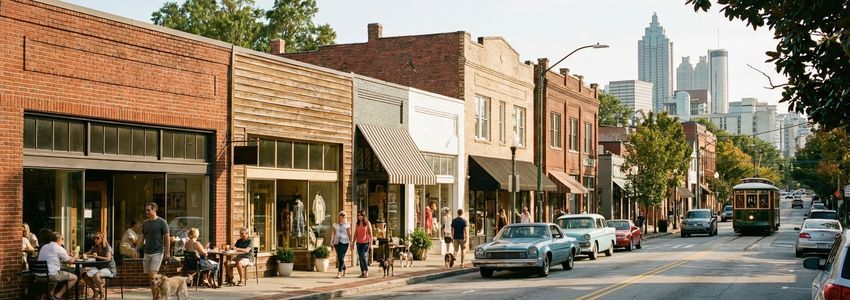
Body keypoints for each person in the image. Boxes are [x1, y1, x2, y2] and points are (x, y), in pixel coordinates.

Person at [137, 202, 170, 299]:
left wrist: (167, 252)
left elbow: (167, 238)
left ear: (154, 210)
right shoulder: (145, 223)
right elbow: (142, 238)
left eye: (148, 210)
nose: (146, 211)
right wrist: (136, 249)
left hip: (158, 252)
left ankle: (156, 296)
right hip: (147, 253)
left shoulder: (162, 222)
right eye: (146, 210)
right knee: (150, 278)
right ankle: (155, 296)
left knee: (152, 275)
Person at [37, 232, 77, 300]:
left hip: (38, 275)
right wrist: (76, 256)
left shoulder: (44, 246)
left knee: (57, 273)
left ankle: (50, 295)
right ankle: (58, 296)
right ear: (58, 239)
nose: (63, 241)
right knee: (74, 278)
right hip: (50, 276)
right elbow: (70, 261)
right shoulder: (58, 248)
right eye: (62, 239)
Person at [81, 232, 116, 300]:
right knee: (84, 275)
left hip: (109, 268)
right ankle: (95, 291)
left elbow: (108, 259)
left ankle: (101, 293)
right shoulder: (95, 247)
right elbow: (87, 253)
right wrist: (84, 255)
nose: (96, 240)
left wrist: (97, 256)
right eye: (95, 238)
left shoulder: (107, 247)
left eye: (98, 238)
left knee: (96, 275)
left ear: (102, 239)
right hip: (99, 267)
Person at [330, 211, 352, 279]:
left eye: (344, 216)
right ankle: (344, 269)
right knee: (340, 257)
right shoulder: (335, 225)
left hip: (345, 242)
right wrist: (331, 242)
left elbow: (349, 234)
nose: (343, 217)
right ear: (339, 217)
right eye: (342, 216)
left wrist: (351, 242)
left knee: (341, 257)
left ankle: (339, 272)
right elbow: (333, 233)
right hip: (337, 242)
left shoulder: (347, 224)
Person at [353, 210, 372, 278]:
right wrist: (353, 242)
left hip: (365, 243)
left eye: (360, 215)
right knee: (360, 258)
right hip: (359, 243)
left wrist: (370, 243)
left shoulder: (367, 223)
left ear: (363, 216)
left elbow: (370, 234)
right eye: (358, 215)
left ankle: (366, 270)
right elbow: (355, 233)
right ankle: (362, 272)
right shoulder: (357, 224)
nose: (359, 217)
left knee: (363, 256)